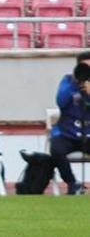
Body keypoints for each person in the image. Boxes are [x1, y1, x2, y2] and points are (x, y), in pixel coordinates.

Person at [49, 51, 90, 195]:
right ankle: (72, 183)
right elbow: (61, 101)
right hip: (67, 133)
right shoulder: (68, 80)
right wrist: (75, 82)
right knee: (56, 150)